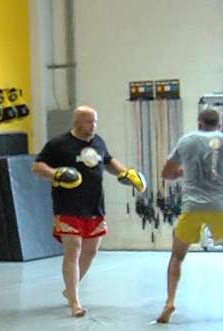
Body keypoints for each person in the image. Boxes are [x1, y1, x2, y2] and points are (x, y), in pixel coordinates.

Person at [32, 105, 143, 317]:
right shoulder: (58, 144)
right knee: (73, 249)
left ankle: (69, 290)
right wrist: (55, 174)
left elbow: (108, 161)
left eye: (95, 122)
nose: (93, 126)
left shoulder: (98, 141)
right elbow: (37, 167)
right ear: (77, 122)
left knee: (90, 252)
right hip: (68, 205)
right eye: (89, 122)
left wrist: (125, 173)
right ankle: (75, 302)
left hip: (94, 205)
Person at [157, 107, 223, 323]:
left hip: (191, 208)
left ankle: (170, 302)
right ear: (219, 124)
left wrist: (184, 171)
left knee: (177, 257)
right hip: (219, 207)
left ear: (199, 122)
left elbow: (166, 173)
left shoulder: (186, 140)